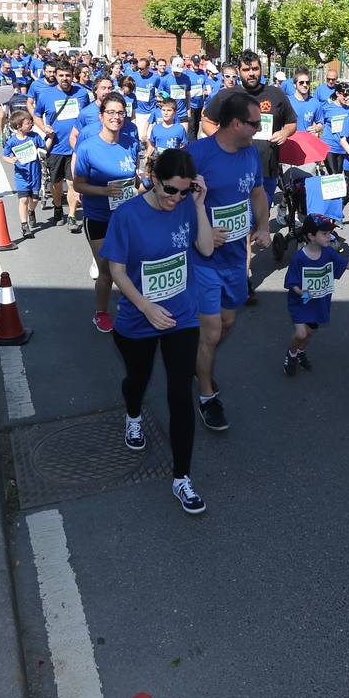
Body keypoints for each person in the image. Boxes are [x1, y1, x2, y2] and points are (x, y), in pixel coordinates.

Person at [100, 148, 215, 515]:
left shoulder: (187, 206)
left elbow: (206, 249)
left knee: (180, 393)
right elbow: (117, 271)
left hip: (182, 316)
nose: (175, 198)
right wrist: (146, 307)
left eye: (184, 190)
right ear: (153, 179)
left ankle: (182, 478)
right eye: (170, 190)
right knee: (138, 378)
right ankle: (133, 414)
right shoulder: (128, 215)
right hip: (139, 318)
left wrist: (199, 205)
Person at [188, 91, 272, 430]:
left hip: (236, 259)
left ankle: (197, 361)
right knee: (211, 332)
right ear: (236, 123)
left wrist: (264, 226)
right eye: (255, 124)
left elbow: (257, 193)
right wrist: (203, 230)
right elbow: (169, 199)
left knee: (227, 323)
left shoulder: (250, 152)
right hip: (203, 259)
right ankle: (207, 395)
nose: (260, 130)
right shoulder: (197, 155)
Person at [202, 51, 295, 256]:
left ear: (261, 69)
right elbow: (207, 121)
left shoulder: (276, 94)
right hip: (233, 170)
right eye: (246, 69)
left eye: (255, 68)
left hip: (266, 170)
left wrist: (285, 132)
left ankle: (241, 262)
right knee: (242, 224)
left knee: (255, 221)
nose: (251, 73)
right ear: (239, 71)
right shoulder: (227, 95)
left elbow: (291, 122)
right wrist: (224, 141)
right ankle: (242, 269)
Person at [73, 92, 145, 332]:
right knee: (106, 271)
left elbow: (134, 181)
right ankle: (101, 313)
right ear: (101, 116)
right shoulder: (87, 147)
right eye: (111, 112)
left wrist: (149, 187)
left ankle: (131, 306)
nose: (116, 117)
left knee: (131, 267)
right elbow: (78, 185)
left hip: (126, 218)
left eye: (121, 112)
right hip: (99, 218)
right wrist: (104, 191)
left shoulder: (131, 144)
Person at [282, 214, 349, 376]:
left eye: (329, 233)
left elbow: (347, 265)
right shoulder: (300, 258)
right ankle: (291, 353)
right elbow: (291, 281)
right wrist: (301, 291)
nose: (329, 237)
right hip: (301, 301)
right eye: (324, 234)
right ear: (311, 236)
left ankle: (300, 351)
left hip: (319, 302)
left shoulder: (328, 253)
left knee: (309, 332)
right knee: (301, 333)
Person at [39, 64, 92, 228]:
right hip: (56, 147)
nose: (65, 79)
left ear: (72, 76)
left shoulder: (82, 93)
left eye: (68, 75)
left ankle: (71, 215)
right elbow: (36, 115)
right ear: (56, 75)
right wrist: (44, 128)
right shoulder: (46, 95)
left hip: (75, 147)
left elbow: (88, 116)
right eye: (61, 75)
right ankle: (57, 207)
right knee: (56, 183)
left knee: (71, 182)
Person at [0, 109, 45, 240]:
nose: (31, 124)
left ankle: (31, 211)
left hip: (35, 173)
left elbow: (44, 147)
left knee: (35, 199)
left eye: (31, 122)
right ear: (19, 127)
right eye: (28, 123)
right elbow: (4, 156)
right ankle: (24, 226)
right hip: (22, 175)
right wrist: (11, 160)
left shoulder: (34, 136)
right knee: (23, 200)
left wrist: (51, 138)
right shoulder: (12, 141)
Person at [148, 98, 188, 166]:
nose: (165, 113)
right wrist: (147, 159)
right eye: (163, 110)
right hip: (158, 164)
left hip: (174, 164)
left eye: (169, 110)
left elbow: (184, 147)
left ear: (174, 112)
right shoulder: (155, 128)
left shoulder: (180, 129)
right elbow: (152, 146)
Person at [287, 67, 320, 132]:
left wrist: (317, 128)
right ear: (294, 85)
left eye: (307, 82)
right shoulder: (287, 102)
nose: (305, 85)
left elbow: (320, 123)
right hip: (290, 138)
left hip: (307, 138)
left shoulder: (315, 102)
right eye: (301, 82)